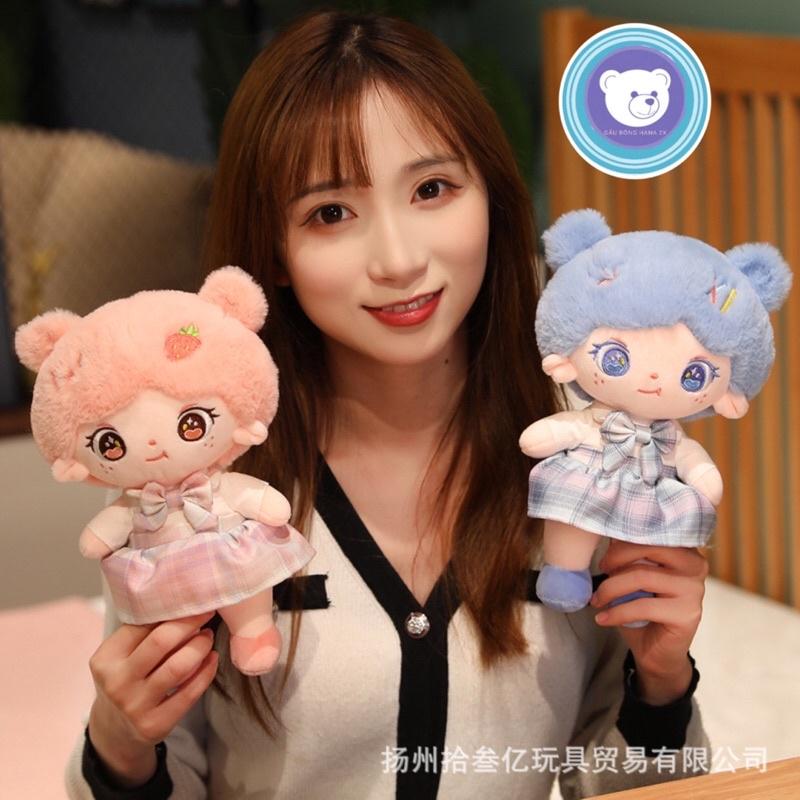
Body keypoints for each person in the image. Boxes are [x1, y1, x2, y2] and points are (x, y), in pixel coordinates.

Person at [66, 10, 711, 799]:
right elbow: (160, 757)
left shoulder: (586, 470)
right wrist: (119, 742)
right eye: (330, 213)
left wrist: (662, 685)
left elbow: (610, 781)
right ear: (274, 249)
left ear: (491, 198)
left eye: (432, 189)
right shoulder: (199, 485)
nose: (400, 260)